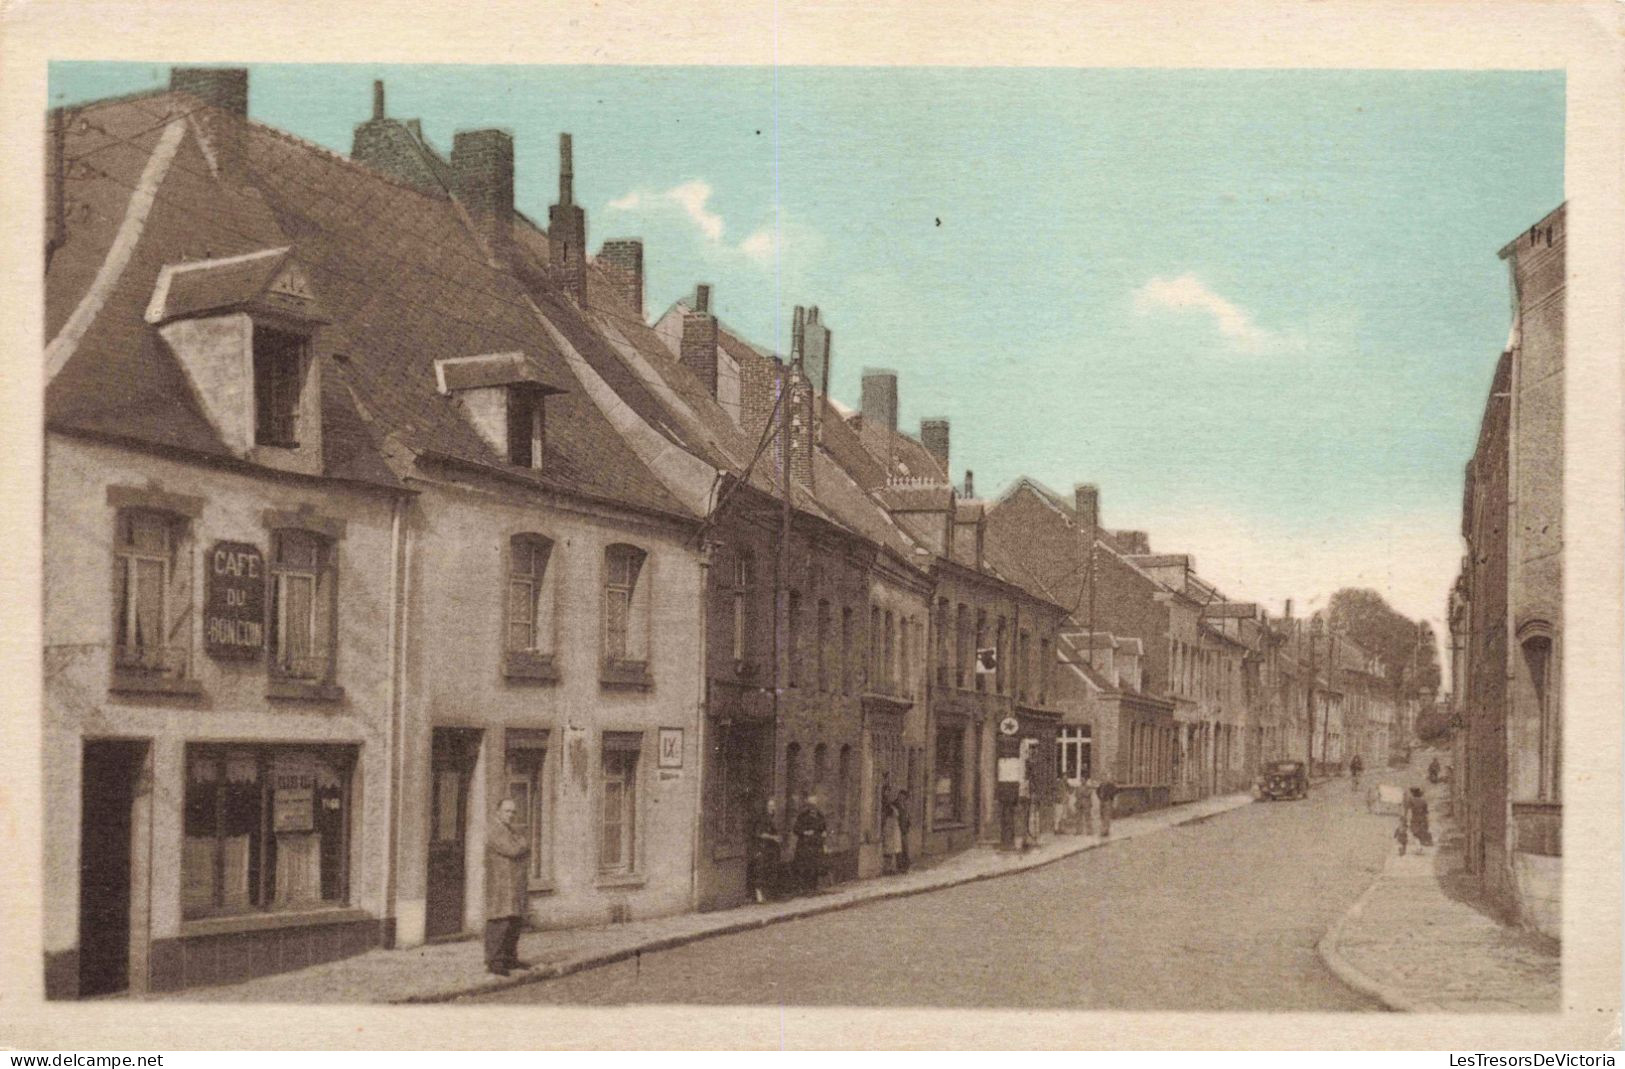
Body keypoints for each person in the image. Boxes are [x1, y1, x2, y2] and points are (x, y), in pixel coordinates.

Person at [485, 797, 531, 976]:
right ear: (498, 812)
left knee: (514, 922)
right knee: (499, 922)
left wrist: (521, 844)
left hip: (514, 884)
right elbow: (513, 850)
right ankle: (494, 961)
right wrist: (522, 844)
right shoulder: (494, 830)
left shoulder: (510, 830)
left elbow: (523, 846)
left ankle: (510, 958)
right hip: (500, 884)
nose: (511, 815)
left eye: (513, 812)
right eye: (507, 811)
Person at [746, 794, 781, 903]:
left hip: (771, 848)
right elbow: (760, 833)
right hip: (763, 847)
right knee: (760, 870)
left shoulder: (772, 818)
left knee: (769, 870)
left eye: (774, 806)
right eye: (770, 805)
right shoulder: (763, 818)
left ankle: (765, 894)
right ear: (766, 807)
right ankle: (758, 895)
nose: (772, 808)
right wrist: (773, 837)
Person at [792, 792, 828, 894]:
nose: (813, 806)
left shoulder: (820, 815)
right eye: (811, 804)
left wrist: (824, 834)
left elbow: (824, 828)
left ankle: (813, 888)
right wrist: (805, 832)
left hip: (817, 845)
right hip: (806, 845)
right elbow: (796, 829)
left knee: (816, 867)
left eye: (815, 804)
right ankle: (804, 888)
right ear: (807, 804)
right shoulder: (802, 816)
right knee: (805, 867)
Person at [880, 786, 902, 874]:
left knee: (893, 848)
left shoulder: (892, 805)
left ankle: (891, 868)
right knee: (888, 848)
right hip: (888, 827)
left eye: (889, 792)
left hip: (894, 828)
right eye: (887, 792)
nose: (888, 794)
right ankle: (887, 868)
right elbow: (884, 816)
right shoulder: (885, 805)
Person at [1406, 787, 1433, 852]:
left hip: (1414, 819)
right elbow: (1426, 812)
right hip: (1423, 819)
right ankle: (1419, 847)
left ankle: (1419, 848)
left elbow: (1409, 811)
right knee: (1420, 833)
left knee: (1415, 834)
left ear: (1413, 793)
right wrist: (1428, 821)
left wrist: (1407, 820)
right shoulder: (1424, 801)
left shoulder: (1411, 800)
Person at [894, 789, 913, 873]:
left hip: (904, 830)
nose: (901, 798)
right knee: (899, 850)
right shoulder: (894, 805)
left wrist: (908, 825)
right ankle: (900, 867)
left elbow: (907, 817)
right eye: (900, 796)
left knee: (905, 848)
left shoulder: (904, 805)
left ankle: (905, 867)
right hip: (897, 830)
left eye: (903, 797)